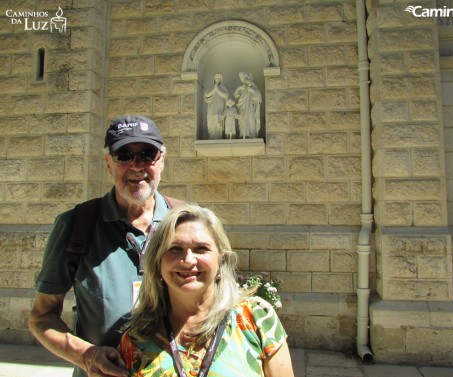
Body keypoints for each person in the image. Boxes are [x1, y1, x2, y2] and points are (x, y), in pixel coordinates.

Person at [28, 115, 183, 377]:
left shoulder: (187, 221)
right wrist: (86, 356)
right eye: (124, 155)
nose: (137, 165)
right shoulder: (76, 225)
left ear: (162, 161)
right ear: (108, 164)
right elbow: (41, 317)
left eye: (147, 154)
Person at [119, 204, 294, 377]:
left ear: (220, 259)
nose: (188, 260)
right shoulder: (136, 341)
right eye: (175, 249)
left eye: (201, 249)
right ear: (158, 263)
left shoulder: (255, 318)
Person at [233, 72, 262, 139]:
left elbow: (259, 96)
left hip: (250, 107)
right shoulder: (240, 86)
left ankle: (252, 134)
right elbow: (235, 95)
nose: (241, 79)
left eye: (242, 77)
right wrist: (239, 88)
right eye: (241, 78)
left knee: (251, 119)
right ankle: (242, 134)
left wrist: (251, 90)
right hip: (242, 107)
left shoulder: (252, 86)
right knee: (242, 119)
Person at [204, 73, 229, 139]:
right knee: (211, 121)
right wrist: (214, 89)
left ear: (221, 80)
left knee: (218, 120)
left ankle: (219, 136)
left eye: (218, 78)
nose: (217, 79)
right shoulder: (211, 88)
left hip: (220, 107)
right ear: (214, 79)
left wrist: (217, 90)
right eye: (216, 78)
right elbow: (206, 95)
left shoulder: (223, 88)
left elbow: (226, 96)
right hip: (211, 107)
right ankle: (212, 136)